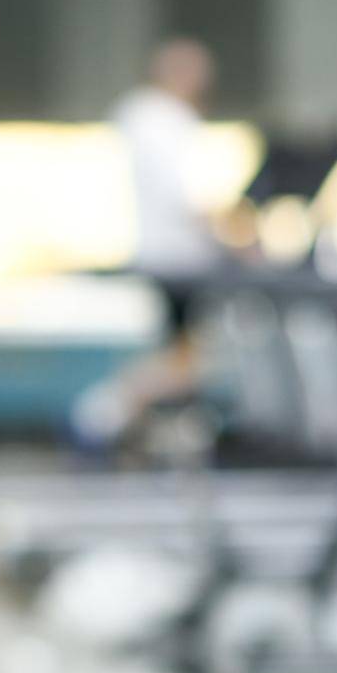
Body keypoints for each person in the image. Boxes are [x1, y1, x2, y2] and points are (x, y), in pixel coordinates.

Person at [73, 37, 225, 446]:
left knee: (188, 354)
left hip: (176, 254)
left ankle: (142, 422)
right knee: (190, 356)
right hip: (177, 256)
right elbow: (184, 197)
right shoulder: (159, 119)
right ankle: (105, 412)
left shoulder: (154, 118)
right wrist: (236, 235)